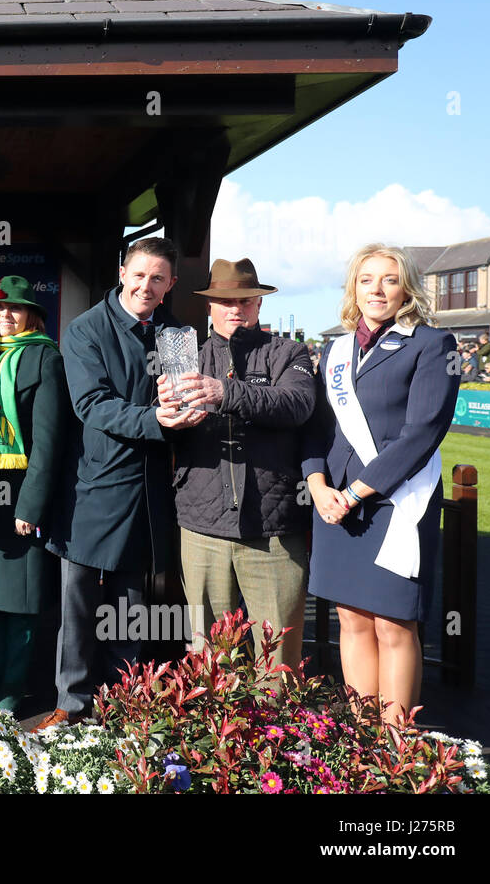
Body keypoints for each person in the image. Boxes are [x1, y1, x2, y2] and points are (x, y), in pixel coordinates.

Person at [40, 237, 205, 730]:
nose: (146, 286)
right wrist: (159, 419)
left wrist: (190, 410)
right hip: (93, 488)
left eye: (158, 278)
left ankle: (120, 707)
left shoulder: (178, 334)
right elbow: (91, 405)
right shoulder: (86, 329)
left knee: (132, 608)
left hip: (151, 493)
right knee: (79, 603)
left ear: (171, 284)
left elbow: (185, 398)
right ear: (121, 272)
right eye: (139, 275)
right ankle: (71, 705)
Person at [304, 244, 458, 725]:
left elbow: (424, 432)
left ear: (406, 288)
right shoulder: (336, 349)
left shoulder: (434, 344)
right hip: (335, 504)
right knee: (351, 618)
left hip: (396, 501)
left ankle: (395, 748)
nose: (376, 289)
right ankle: (362, 741)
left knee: (394, 623)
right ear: (354, 286)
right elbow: (317, 426)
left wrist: (354, 493)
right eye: (366, 278)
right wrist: (317, 485)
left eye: (389, 279)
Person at [158, 258, 315, 670]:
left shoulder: (289, 352)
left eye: (245, 300)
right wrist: (167, 417)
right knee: (209, 654)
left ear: (259, 305)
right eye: (224, 301)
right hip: (202, 524)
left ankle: (278, 732)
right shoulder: (183, 356)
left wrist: (225, 392)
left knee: (278, 658)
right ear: (209, 306)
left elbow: (297, 404)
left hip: (274, 526)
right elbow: (161, 429)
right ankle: (215, 732)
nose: (235, 309)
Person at [0, 276, 67, 711]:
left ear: (32, 315)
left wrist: (31, 506)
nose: (4, 316)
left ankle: (10, 699)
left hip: (24, 501)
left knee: (23, 604)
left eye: (14, 308)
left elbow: (49, 444)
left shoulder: (46, 359)